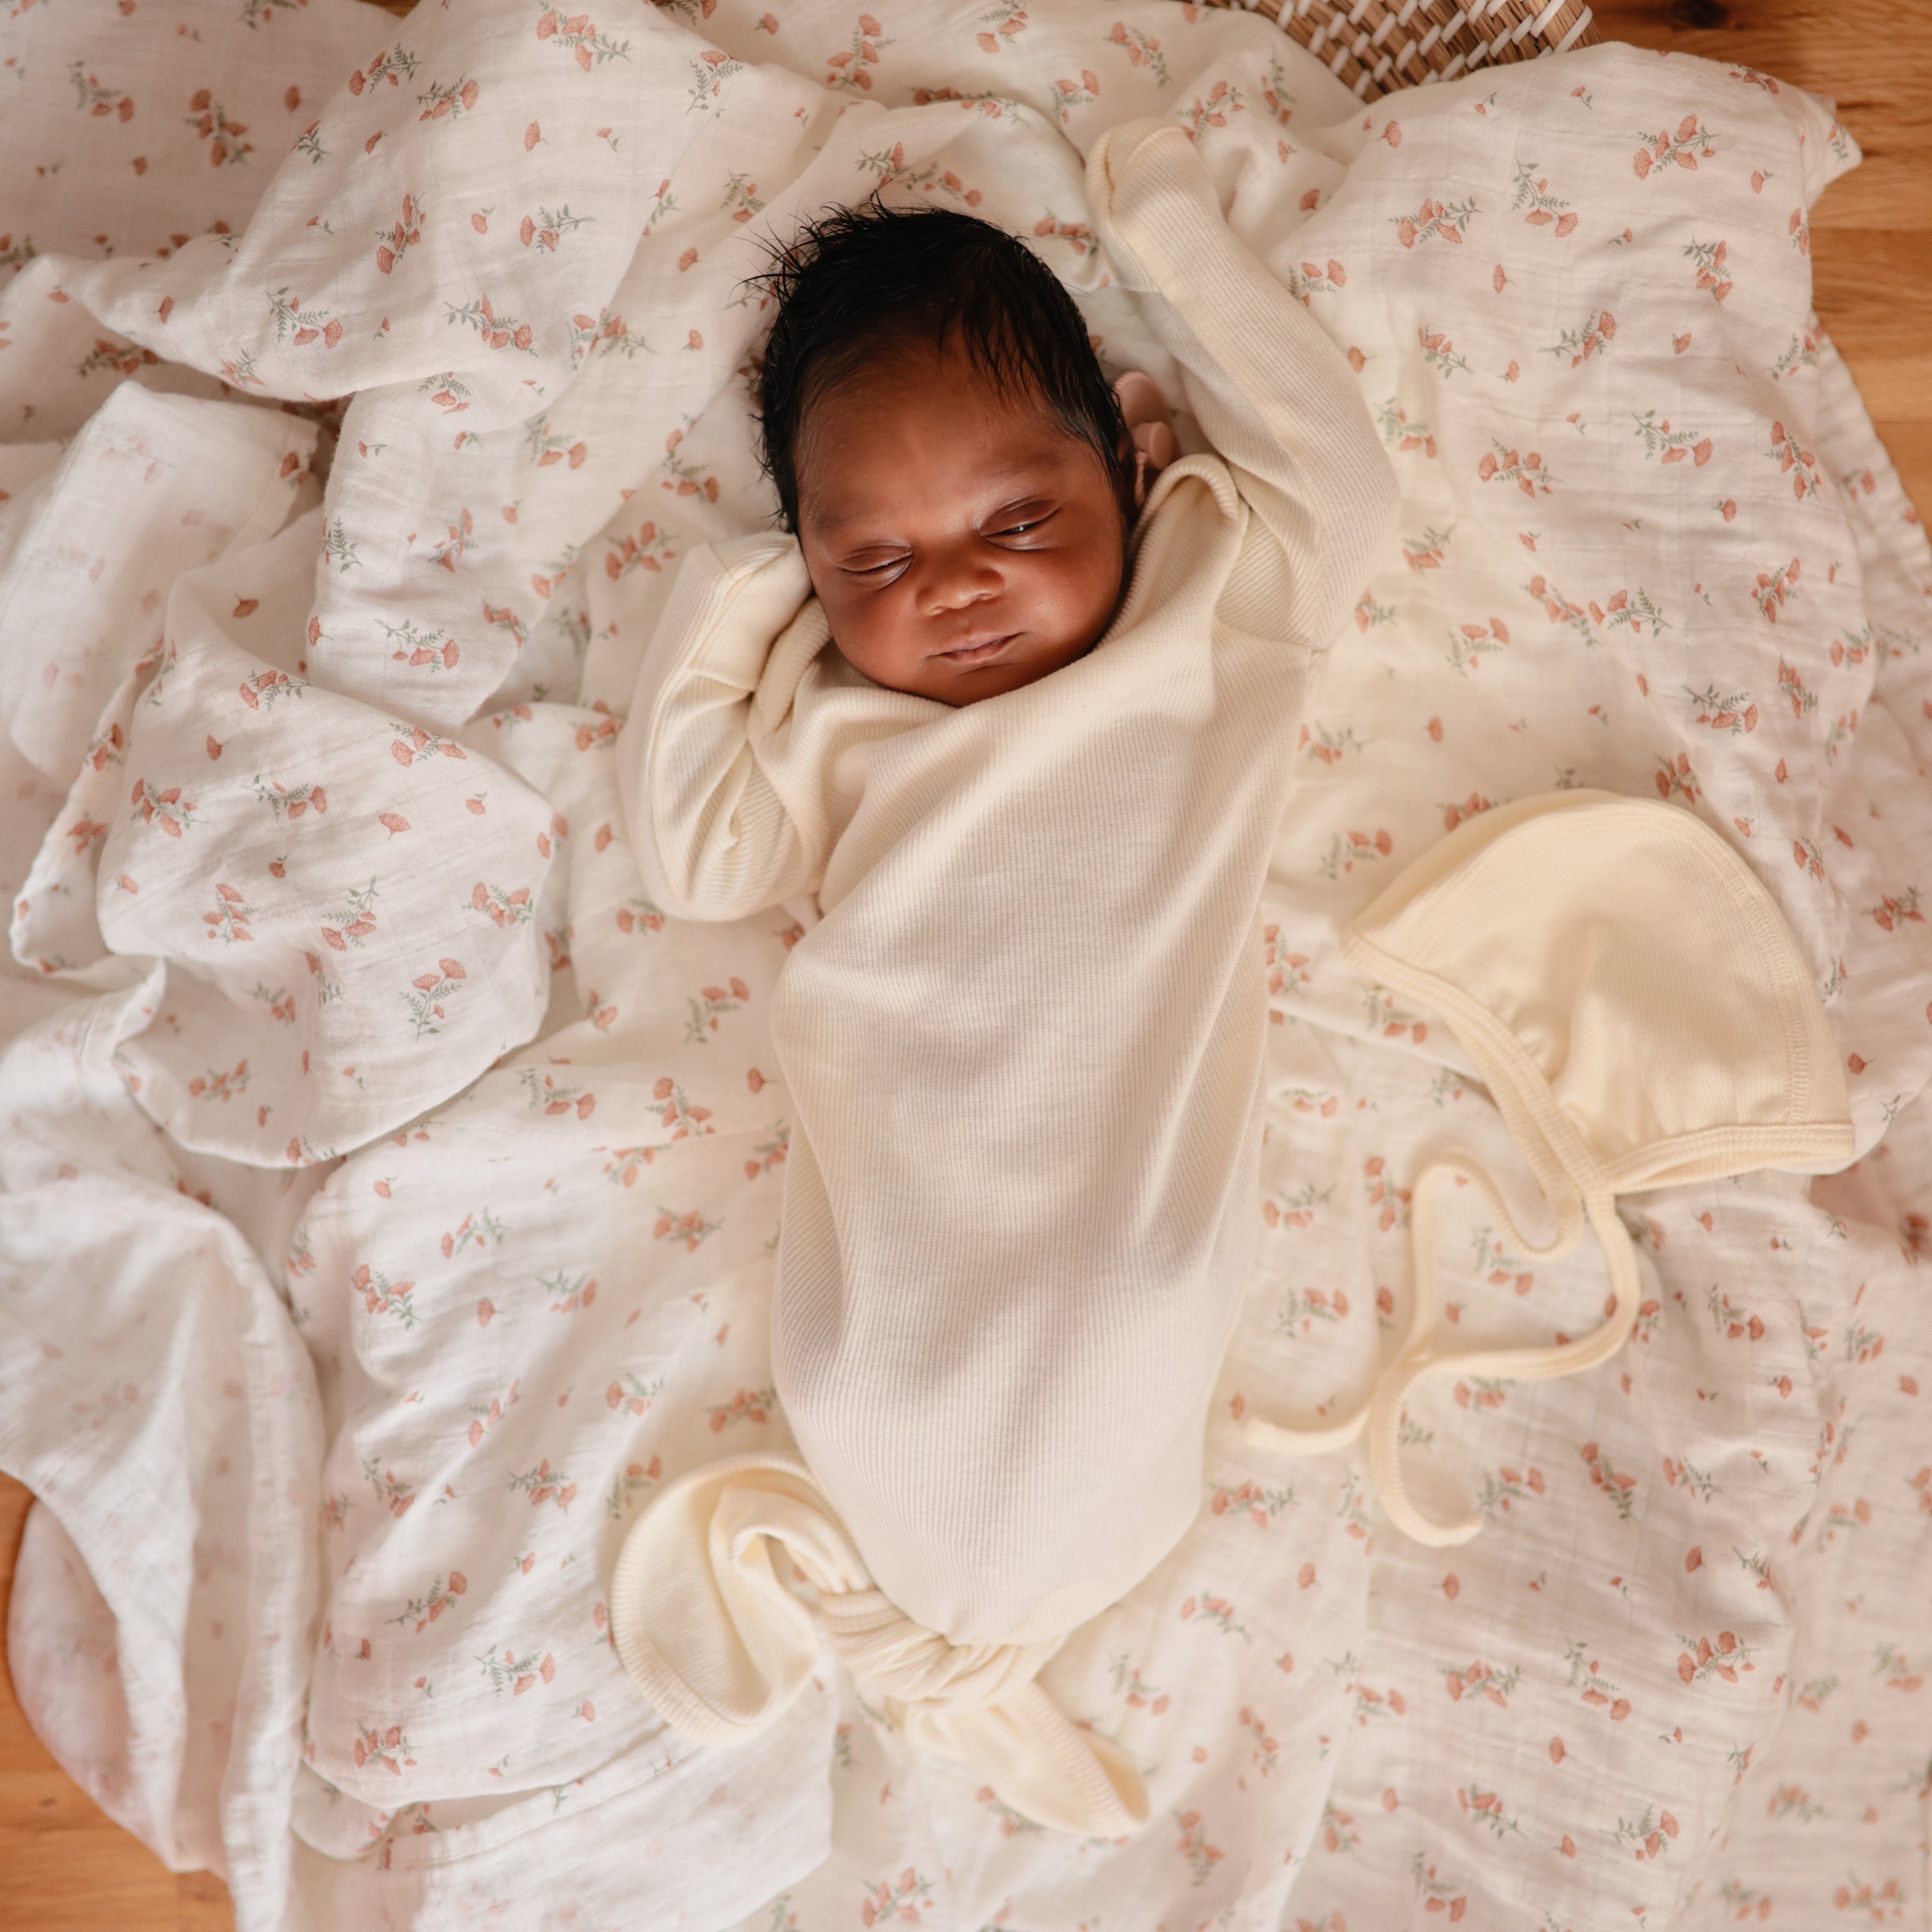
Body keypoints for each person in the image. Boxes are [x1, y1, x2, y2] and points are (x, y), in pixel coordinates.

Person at [614, 117, 1400, 1651]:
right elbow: (693, 857)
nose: (958, 588)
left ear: (1127, 455)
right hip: (915, 1208)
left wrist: (1169, 226)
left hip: (1127, 1205)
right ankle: (943, 1582)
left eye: (1018, 520)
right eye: (877, 561)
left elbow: (1343, 485)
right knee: (863, 1381)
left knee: (1141, 1289)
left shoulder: (1208, 603)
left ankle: (1026, 1577)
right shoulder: (832, 721)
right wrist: (745, 593)